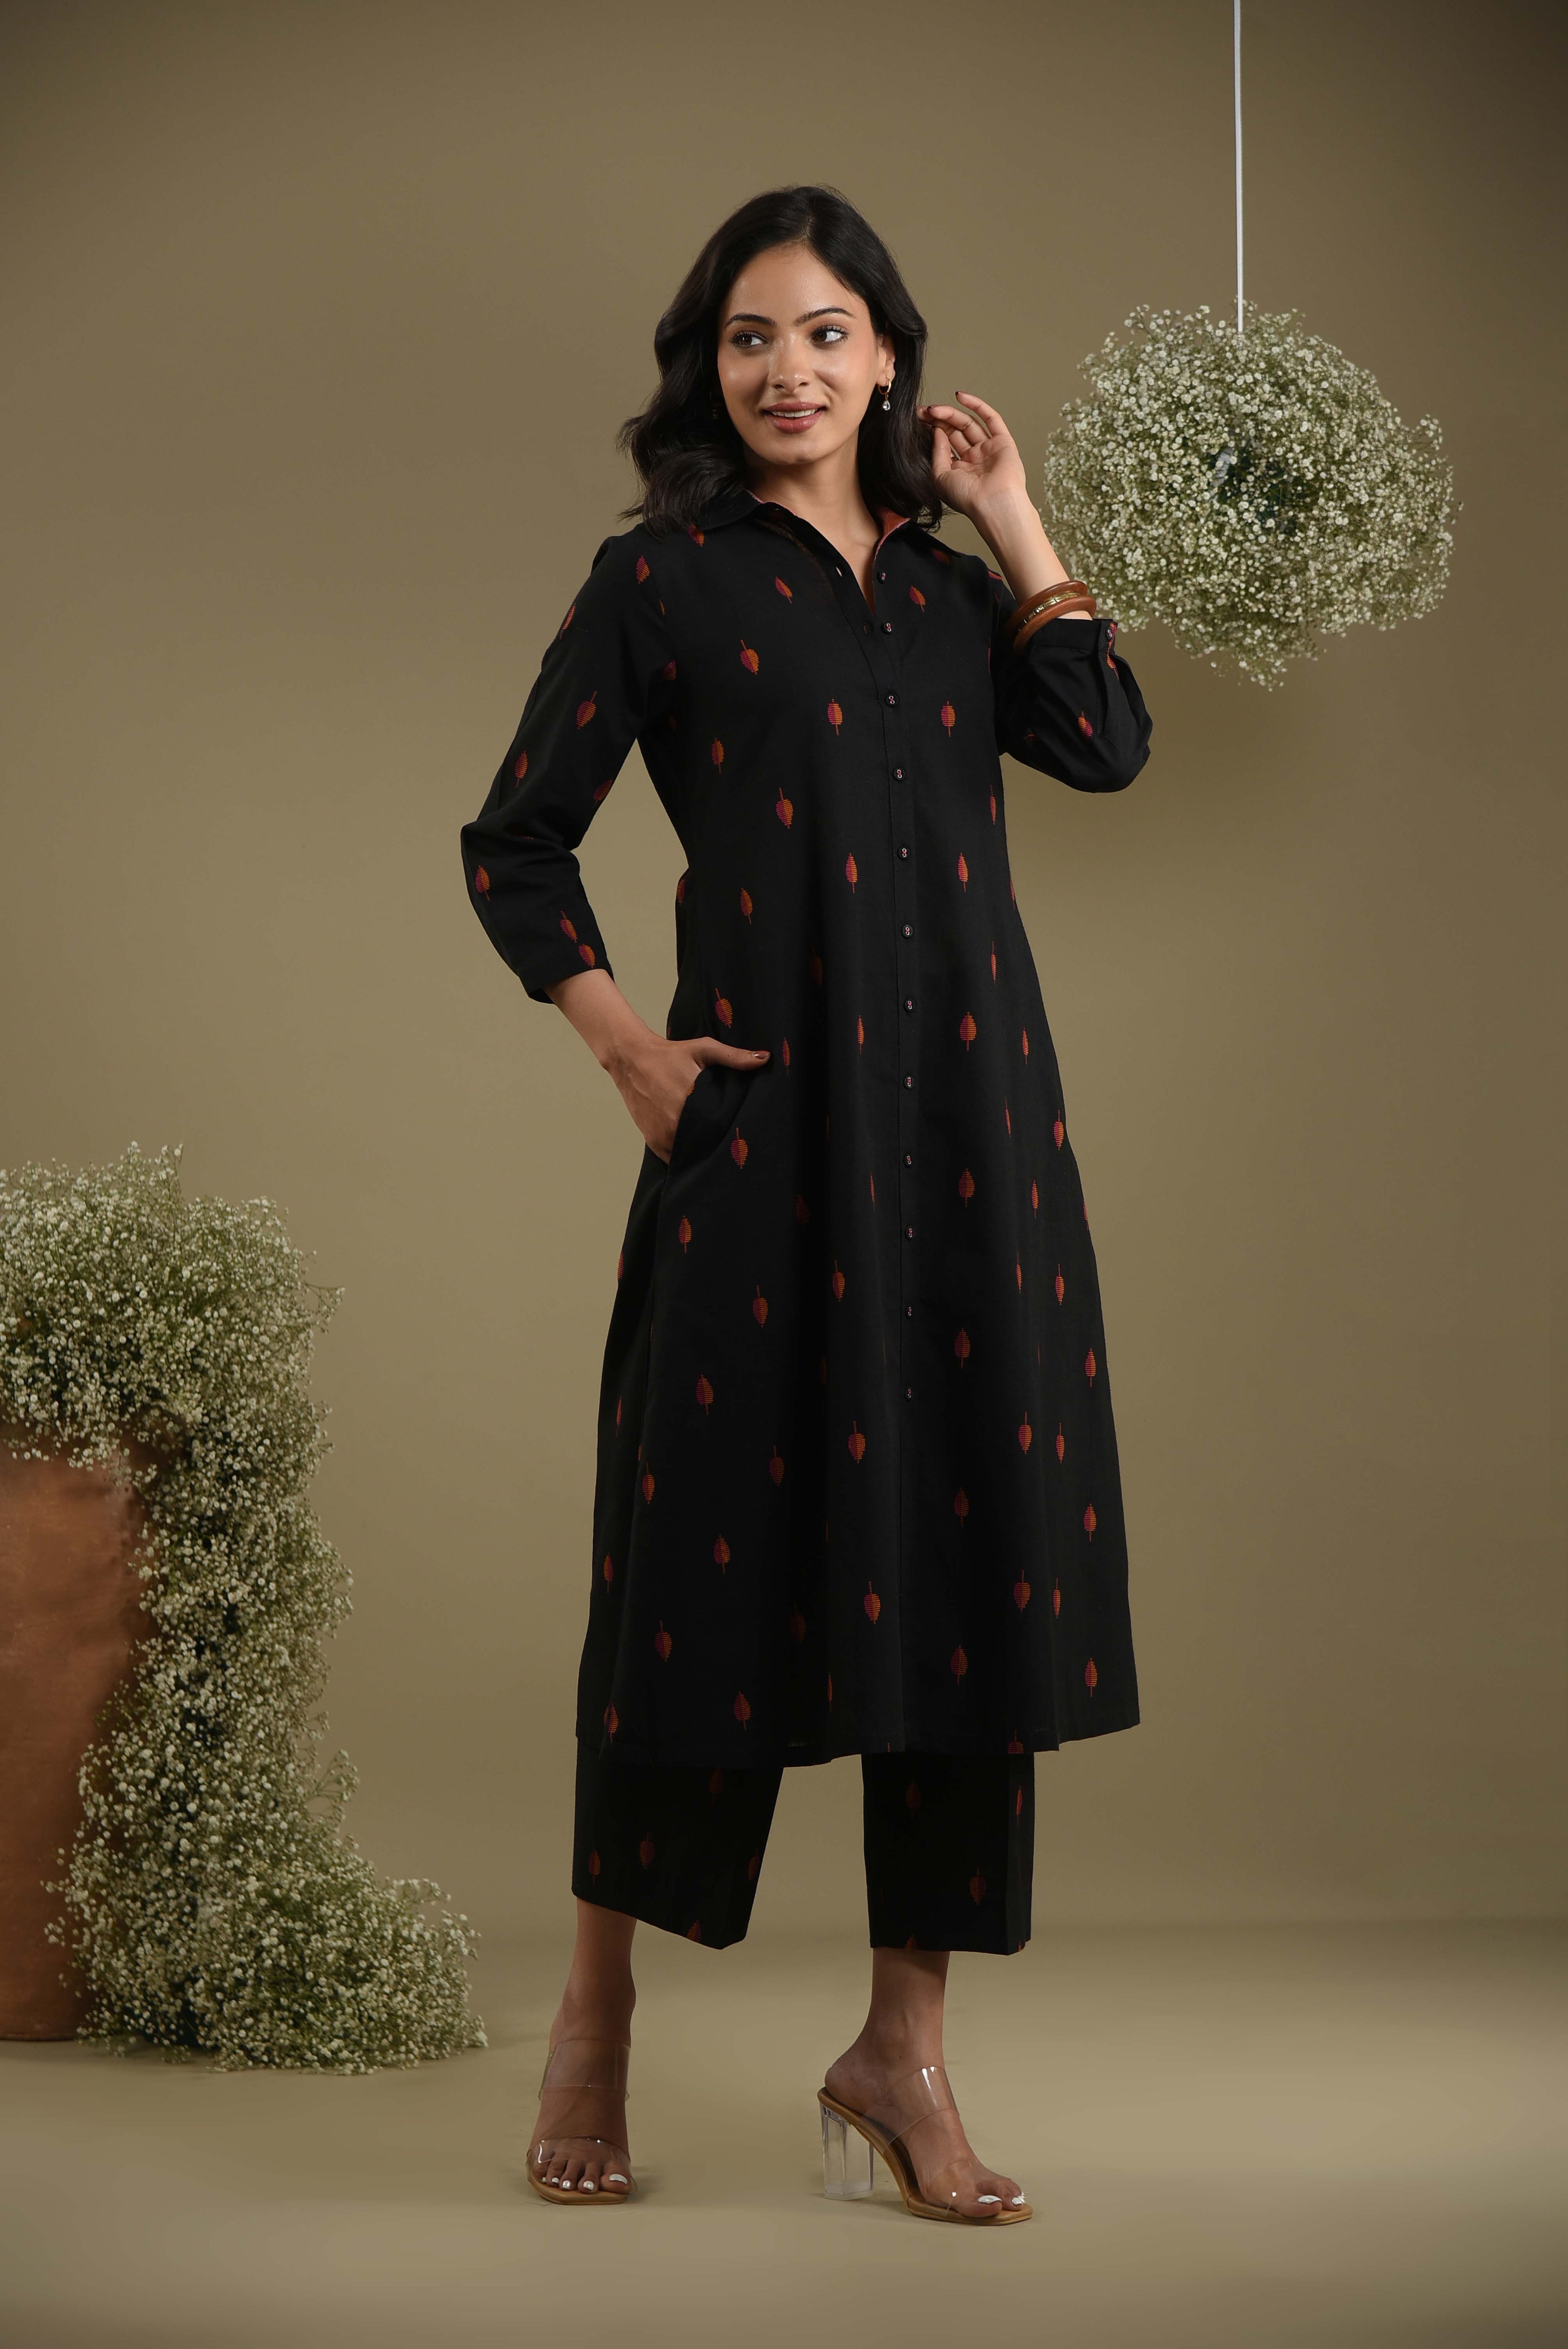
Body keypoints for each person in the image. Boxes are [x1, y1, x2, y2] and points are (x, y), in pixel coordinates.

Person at [459, 184, 1152, 2225]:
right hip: (762, 1148)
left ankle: (899, 2054)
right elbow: (515, 842)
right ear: (710, 367)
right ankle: (596, 2014)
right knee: (689, 1568)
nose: (787, 370)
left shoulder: (945, 595)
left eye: (826, 333)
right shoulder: (661, 581)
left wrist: (1011, 516)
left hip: (972, 1144)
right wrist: (629, 1054)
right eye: (750, 336)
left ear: (887, 361)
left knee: (961, 1566)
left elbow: (1104, 740)